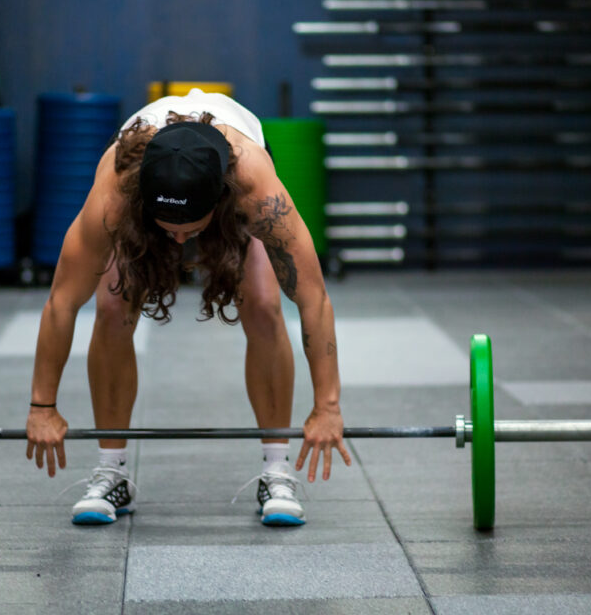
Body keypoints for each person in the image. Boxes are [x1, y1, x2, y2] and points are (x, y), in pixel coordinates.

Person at [25, 88, 350, 527]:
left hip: (232, 181)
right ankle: (111, 472)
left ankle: (276, 471)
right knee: (112, 306)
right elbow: (62, 301)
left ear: (217, 206)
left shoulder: (255, 188)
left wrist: (327, 405)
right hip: (142, 193)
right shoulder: (116, 188)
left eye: (190, 231)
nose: (181, 244)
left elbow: (313, 298)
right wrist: (42, 406)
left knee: (263, 304)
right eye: (170, 232)